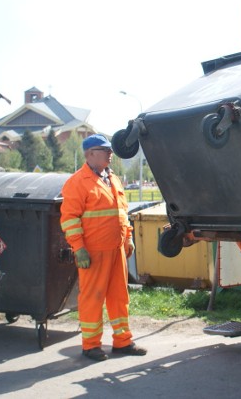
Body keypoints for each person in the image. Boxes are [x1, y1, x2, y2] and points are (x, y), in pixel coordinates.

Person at [60, 134, 147, 361]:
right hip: (93, 252)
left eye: (110, 150)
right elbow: (69, 219)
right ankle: (91, 345)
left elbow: (122, 213)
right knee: (93, 297)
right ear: (90, 154)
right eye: (104, 150)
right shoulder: (77, 182)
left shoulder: (113, 179)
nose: (110, 153)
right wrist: (78, 248)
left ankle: (123, 341)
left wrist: (128, 238)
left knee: (120, 297)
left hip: (117, 249)